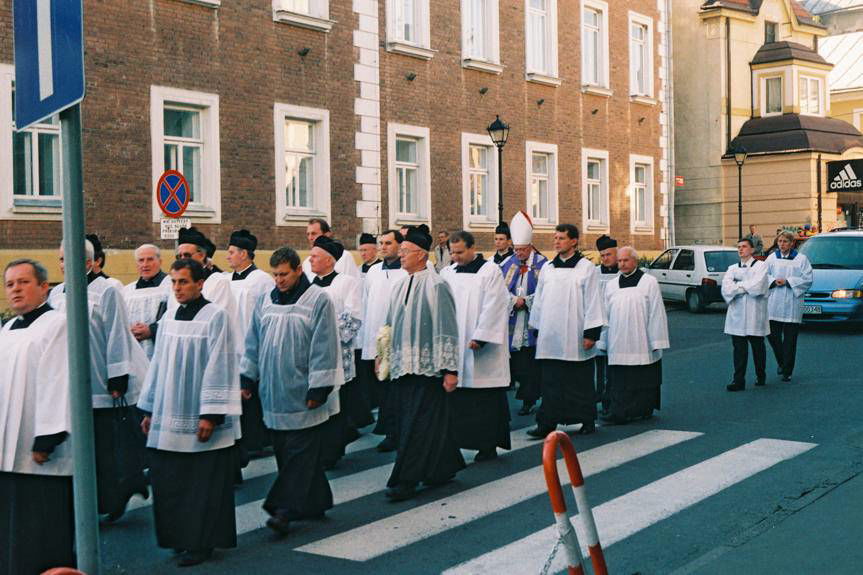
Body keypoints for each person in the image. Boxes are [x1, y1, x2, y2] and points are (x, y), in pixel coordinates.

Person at [139, 259, 241, 567]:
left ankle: (201, 543)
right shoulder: (169, 316)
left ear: (199, 283)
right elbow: (158, 364)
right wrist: (149, 408)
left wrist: (210, 414)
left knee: (201, 485)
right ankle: (179, 538)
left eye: (183, 282)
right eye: (174, 282)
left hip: (198, 415)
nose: (177, 288)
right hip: (168, 413)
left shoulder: (216, 316)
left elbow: (220, 364)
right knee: (171, 481)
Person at [241, 247, 343, 535]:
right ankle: (316, 501)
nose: (279, 280)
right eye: (275, 275)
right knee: (287, 453)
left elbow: (324, 344)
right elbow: (253, 341)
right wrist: (247, 378)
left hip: (303, 390)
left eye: (284, 274)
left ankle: (283, 510)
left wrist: (319, 387)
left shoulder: (318, 300)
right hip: (274, 390)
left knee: (299, 454)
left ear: (298, 270)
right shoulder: (265, 300)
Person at [50, 239, 149, 522]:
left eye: (69, 258)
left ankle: (114, 494)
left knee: (104, 446)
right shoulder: (56, 293)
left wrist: (117, 377)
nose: (63, 264)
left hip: (99, 381)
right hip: (69, 381)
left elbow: (117, 333)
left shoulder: (106, 290)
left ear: (88, 262)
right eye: (60, 259)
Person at [377, 227, 465, 501]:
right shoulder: (399, 285)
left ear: (421, 255)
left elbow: (447, 327)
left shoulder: (436, 285)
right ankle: (443, 467)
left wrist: (450, 370)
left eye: (406, 251)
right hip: (402, 366)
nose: (401, 255)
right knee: (416, 422)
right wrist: (382, 355)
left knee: (418, 425)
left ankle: (405, 480)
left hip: (428, 367)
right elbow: (388, 324)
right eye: (401, 251)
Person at [1, 259, 74, 575]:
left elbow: (59, 378)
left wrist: (48, 438)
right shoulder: (7, 328)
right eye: (10, 284)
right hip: (7, 449)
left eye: (23, 282)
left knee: (42, 529)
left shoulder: (58, 324)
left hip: (41, 451)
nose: (16, 289)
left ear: (44, 287)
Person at [527, 224, 604, 438]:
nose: (557, 241)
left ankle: (586, 420)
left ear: (573, 241)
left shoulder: (585, 268)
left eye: (561, 238)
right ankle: (547, 423)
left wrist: (591, 333)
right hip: (551, 336)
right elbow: (539, 300)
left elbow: (593, 301)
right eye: (555, 238)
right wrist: (537, 327)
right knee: (551, 382)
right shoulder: (548, 268)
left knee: (578, 381)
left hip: (575, 335)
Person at [440, 231, 511, 462]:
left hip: (480, 348)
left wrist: (482, 336)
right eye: (452, 252)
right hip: (455, 343)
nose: (455, 257)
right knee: (458, 398)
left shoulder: (490, 271)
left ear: (472, 248)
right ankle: (459, 443)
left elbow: (496, 305)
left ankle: (487, 445)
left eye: (460, 252)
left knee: (484, 400)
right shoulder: (447, 272)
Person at [309, 236, 368, 466]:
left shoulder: (346, 283)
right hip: (313, 354)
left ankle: (332, 450)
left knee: (337, 402)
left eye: (315, 256)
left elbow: (354, 316)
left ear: (329, 260)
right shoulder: (309, 284)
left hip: (337, 352)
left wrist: (327, 336)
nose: (310, 260)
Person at [601, 247, 669, 424]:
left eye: (626, 260)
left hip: (641, 339)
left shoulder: (649, 282)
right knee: (619, 379)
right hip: (618, 339)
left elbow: (656, 312)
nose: (622, 264)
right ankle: (619, 411)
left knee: (641, 377)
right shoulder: (611, 285)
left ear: (635, 261)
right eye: (620, 261)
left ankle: (641, 409)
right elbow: (605, 314)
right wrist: (603, 341)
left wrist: (656, 340)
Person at [225, 230, 275, 459]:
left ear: (244, 254)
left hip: (252, 343)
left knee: (253, 394)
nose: (228, 256)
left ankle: (259, 439)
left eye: (231, 252)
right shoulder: (226, 280)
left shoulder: (261, 279)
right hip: (232, 345)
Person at [360, 230, 407, 452]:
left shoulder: (407, 271)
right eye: (381, 243)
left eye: (388, 243)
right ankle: (390, 431)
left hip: (401, 338)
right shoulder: (373, 271)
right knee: (385, 390)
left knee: (400, 389)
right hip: (378, 338)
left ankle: (401, 431)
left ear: (400, 245)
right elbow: (366, 304)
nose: (383, 247)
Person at [500, 211, 547, 416]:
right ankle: (525, 394)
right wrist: (513, 301)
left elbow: (546, 291)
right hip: (514, 319)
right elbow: (499, 290)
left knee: (531, 363)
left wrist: (526, 301)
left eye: (522, 250)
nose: (518, 253)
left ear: (530, 247)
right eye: (516, 249)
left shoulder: (543, 265)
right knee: (519, 363)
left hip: (532, 320)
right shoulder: (507, 264)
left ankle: (529, 399)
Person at [722, 238, 770, 392]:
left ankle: (760, 375)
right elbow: (726, 289)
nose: (740, 249)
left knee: (757, 347)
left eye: (744, 246)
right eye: (739, 247)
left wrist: (738, 287)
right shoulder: (732, 268)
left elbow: (758, 286)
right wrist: (745, 287)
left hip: (755, 313)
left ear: (752, 249)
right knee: (739, 350)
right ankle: (738, 380)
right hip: (737, 315)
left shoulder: (761, 266)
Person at [765, 231, 813, 382]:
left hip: (792, 302)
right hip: (774, 302)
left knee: (790, 340)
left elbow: (808, 279)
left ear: (792, 243)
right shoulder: (771, 258)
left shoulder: (801, 259)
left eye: (785, 241)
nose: (782, 244)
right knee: (772, 335)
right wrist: (773, 281)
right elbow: (763, 275)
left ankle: (787, 371)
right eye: (780, 241)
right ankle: (782, 361)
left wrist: (789, 281)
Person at [125, 244, 172, 359]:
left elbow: (174, 317)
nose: (145, 265)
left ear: (160, 261)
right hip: (133, 354)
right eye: (141, 260)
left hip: (161, 352)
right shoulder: (127, 290)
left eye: (150, 259)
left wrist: (152, 330)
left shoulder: (170, 285)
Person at [594, 234, 619, 416]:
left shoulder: (622, 273)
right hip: (600, 325)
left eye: (608, 255)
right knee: (600, 367)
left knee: (614, 367)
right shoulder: (595, 273)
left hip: (617, 324)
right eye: (602, 255)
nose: (605, 258)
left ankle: (613, 399)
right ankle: (602, 399)